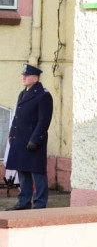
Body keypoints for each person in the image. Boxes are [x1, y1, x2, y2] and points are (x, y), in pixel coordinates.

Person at [4, 64, 52, 210]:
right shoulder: (22, 93)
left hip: (33, 140)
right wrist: (11, 134)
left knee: (37, 172)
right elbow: (17, 117)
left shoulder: (43, 95)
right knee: (23, 170)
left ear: (36, 78)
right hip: (20, 139)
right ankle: (23, 202)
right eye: (23, 75)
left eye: (27, 75)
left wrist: (35, 140)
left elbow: (44, 120)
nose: (23, 77)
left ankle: (39, 204)